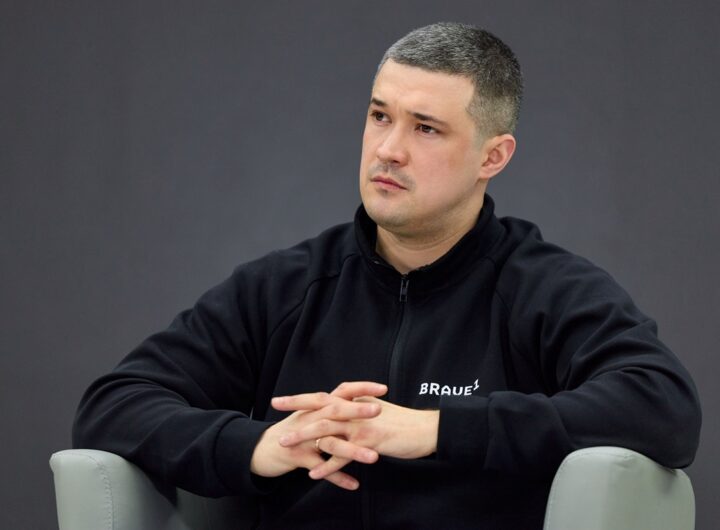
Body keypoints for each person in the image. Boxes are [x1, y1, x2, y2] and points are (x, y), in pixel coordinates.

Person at [73, 22, 701, 529]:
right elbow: (115, 404)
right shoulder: (286, 287)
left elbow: (661, 406)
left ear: (492, 156)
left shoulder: (544, 290)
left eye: (425, 128)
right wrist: (258, 446)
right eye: (380, 116)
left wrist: (435, 429)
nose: (388, 150)